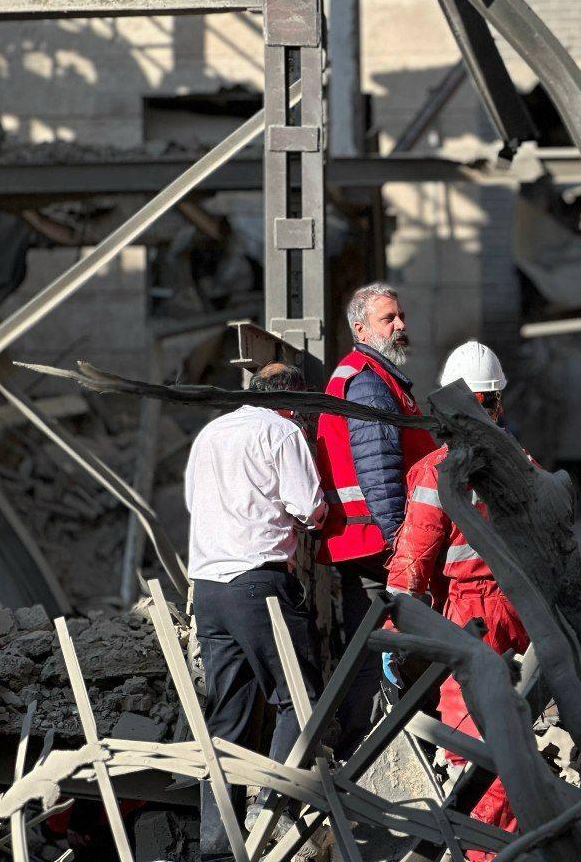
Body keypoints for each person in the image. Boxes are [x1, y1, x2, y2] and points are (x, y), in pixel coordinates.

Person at [383, 340, 526, 853]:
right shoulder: (521, 463)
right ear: (495, 402)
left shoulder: (438, 471)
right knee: (512, 736)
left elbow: (412, 565)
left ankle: (486, 849)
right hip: (524, 613)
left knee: (471, 749)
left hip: (470, 619)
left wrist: (393, 638)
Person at [184, 362, 326, 862]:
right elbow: (309, 507)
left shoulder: (211, 432)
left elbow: (194, 502)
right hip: (258, 583)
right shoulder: (282, 430)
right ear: (294, 401)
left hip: (208, 588)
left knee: (231, 712)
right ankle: (272, 808)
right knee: (299, 698)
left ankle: (218, 843)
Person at [315, 283, 437, 758]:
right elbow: (379, 470)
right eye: (389, 319)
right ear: (361, 329)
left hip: (361, 540)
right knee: (385, 647)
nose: (401, 325)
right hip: (375, 541)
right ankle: (373, 747)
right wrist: (398, 544)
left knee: (370, 647)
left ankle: (366, 744)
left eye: (401, 315)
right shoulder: (367, 380)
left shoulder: (371, 377)